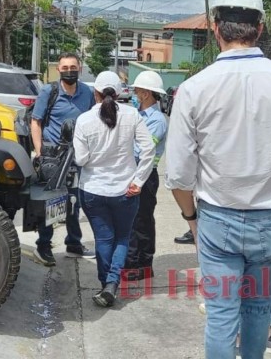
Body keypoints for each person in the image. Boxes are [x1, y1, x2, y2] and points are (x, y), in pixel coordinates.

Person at [165, 0, 271, 359]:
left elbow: (178, 176)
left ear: (216, 28)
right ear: (260, 28)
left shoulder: (194, 88)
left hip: (217, 219)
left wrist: (192, 218)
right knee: (257, 312)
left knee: (221, 318)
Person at [73, 71, 155, 307]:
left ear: (95, 93)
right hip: (126, 190)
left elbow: (80, 159)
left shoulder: (84, 120)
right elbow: (148, 149)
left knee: (103, 238)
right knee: (122, 237)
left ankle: (106, 284)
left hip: (93, 190)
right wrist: (138, 181)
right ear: (119, 93)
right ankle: (111, 284)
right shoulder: (132, 115)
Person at [31, 52, 95, 266]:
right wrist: (39, 150)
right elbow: (36, 122)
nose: (70, 71)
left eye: (73, 67)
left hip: (77, 156)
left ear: (80, 68)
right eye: (65, 67)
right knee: (50, 203)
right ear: (58, 70)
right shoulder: (49, 91)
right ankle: (43, 245)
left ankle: (74, 244)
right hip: (52, 157)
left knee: (74, 202)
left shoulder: (87, 92)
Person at [124, 71, 168, 281]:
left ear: (148, 93)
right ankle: (131, 260)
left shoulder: (157, 120)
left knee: (142, 221)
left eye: (138, 90)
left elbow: (142, 149)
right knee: (131, 220)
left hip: (146, 176)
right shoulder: (136, 115)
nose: (135, 93)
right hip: (132, 172)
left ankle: (142, 264)